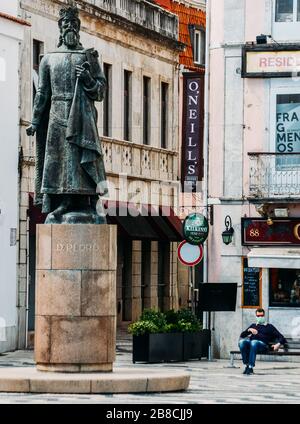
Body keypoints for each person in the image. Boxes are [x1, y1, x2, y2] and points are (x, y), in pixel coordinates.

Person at [26, 4, 107, 224]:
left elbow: (100, 91)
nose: (70, 27)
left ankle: (86, 201)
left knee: (79, 161)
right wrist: (34, 121)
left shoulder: (88, 57)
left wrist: (89, 79)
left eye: (73, 23)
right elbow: (42, 92)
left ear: (78, 28)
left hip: (81, 118)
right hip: (56, 117)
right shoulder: (48, 59)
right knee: (58, 163)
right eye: (66, 24)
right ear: (60, 28)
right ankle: (62, 202)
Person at [238, 308, 287, 375]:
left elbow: (282, 338)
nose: (260, 317)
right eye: (258, 316)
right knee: (242, 342)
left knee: (254, 342)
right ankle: (247, 365)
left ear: (264, 316)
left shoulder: (269, 327)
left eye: (261, 315)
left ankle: (250, 367)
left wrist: (277, 345)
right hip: (252, 346)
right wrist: (249, 330)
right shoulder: (253, 325)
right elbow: (242, 335)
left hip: (263, 346)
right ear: (256, 316)